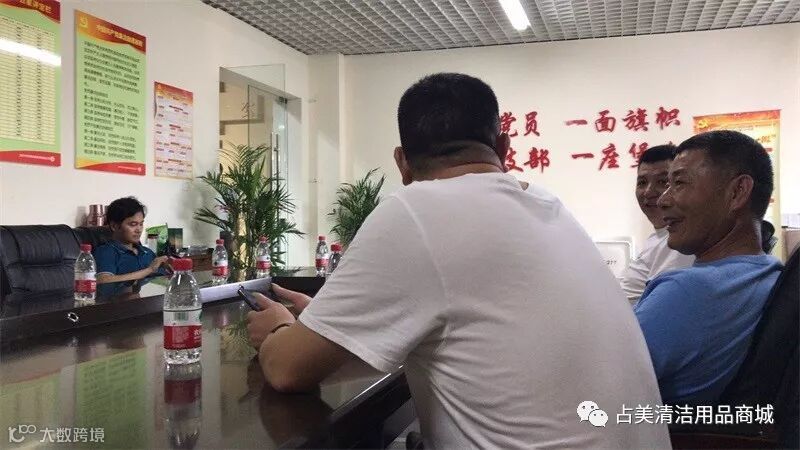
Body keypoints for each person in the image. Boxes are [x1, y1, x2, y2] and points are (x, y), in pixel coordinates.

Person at [247, 73, 669, 448]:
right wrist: (328, 325)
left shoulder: (415, 212)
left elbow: (286, 369)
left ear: (402, 162)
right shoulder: (548, 205)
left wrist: (280, 329)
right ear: (503, 148)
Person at [634, 130, 783, 405]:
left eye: (679, 183)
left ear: (737, 192)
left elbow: (589, 384)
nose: (663, 200)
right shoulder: (773, 271)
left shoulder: (685, 292)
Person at [622, 145, 695, 302]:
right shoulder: (656, 238)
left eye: (663, 182)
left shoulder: (682, 244)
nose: (648, 192)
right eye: (642, 182)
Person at [94, 197, 170, 284]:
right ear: (114, 226)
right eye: (133, 224)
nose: (139, 230)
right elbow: (103, 280)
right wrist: (150, 269)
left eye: (141, 224)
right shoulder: (107, 252)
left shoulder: (147, 252)